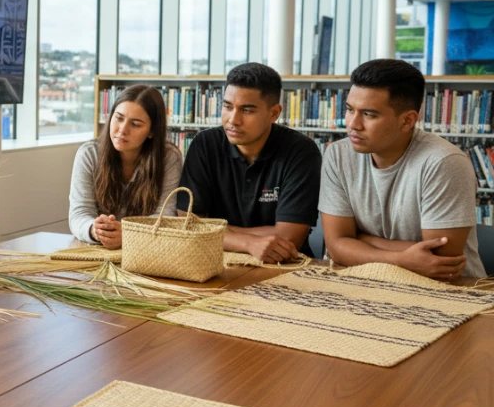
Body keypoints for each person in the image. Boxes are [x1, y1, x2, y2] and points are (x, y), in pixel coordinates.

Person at [320, 59, 483, 280]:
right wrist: (402, 259)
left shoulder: (444, 162)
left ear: (407, 120)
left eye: (369, 114)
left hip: (450, 291)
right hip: (365, 282)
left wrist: (361, 240)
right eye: (350, 110)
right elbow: (336, 246)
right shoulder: (337, 154)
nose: (353, 124)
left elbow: (438, 259)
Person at [177, 63, 321, 263]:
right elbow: (188, 225)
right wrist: (248, 243)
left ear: (274, 113)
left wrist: (217, 230)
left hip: (283, 265)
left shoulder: (301, 151)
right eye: (227, 107)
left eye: (247, 110)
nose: (233, 120)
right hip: (213, 261)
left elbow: (288, 238)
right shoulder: (204, 144)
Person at [68, 84, 183, 248]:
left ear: (152, 131)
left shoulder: (168, 157)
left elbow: (165, 217)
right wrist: (95, 229)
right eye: (119, 118)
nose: (122, 130)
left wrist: (128, 234)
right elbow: (79, 213)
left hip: (147, 251)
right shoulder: (88, 154)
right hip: (97, 249)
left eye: (135, 124)